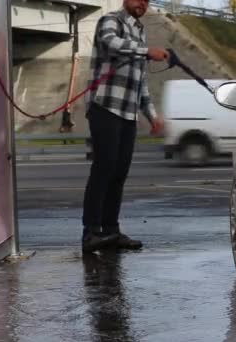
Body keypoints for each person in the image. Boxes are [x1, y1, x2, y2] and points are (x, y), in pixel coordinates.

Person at [82, 0, 169, 253]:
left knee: (119, 173)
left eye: (146, 0)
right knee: (104, 168)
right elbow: (111, 43)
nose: (142, 3)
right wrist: (145, 51)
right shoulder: (111, 21)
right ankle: (91, 233)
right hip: (105, 106)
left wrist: (152, 115)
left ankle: (111, 231)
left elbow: (140, 82)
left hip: (128, 112)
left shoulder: (140, 32)